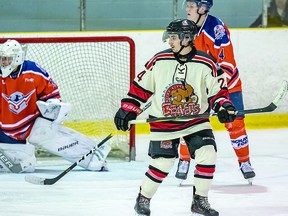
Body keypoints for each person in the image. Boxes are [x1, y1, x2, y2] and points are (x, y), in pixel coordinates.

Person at [114, 19, 236, 216]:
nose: (169, 41)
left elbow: (218, 92)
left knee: (208, 153)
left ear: (187, 38)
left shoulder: (206, 63)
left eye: (173, 37)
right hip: (164, 121)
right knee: (162, 162)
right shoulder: (159, 60)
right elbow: (140, 88)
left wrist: (224, 106)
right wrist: (128, 108)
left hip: (195, 121)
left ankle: (200, 201)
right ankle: (143, 199)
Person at [175, 0, 256, 183]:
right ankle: (184, 159)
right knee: (188, 121)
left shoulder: (216, 28)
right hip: (199, 86)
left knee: (235, 123)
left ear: (203, 8)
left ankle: (245, 162)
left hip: (228, 84)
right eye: (186, 5)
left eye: (191, 5)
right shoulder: (186, 29)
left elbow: (226, 64)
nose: (187, 9)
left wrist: (214, 89)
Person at [0, 39, 111, 173]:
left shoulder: (34, 71)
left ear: (17, 58)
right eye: (2, 58)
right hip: (5, 130)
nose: (4, 62)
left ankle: (94, 156)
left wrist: (53, 105)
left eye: (7, 59)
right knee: (23, 166)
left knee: (42, 133)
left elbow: (51, 93)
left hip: (31, 123)